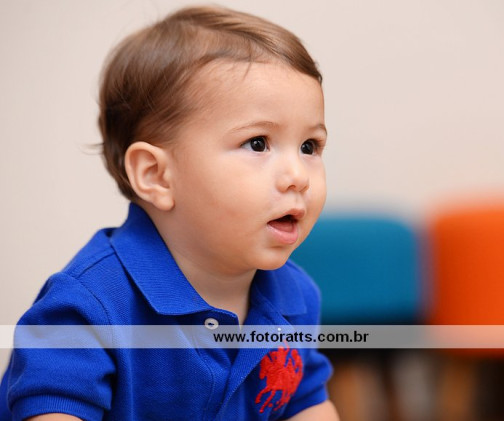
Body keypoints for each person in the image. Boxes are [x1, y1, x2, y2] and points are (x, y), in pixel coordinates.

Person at [0, 5, 338, 420]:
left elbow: (306, 403)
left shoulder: (295, 296)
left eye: (309, 147)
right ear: (157, 175)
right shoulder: (92, 304)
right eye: (258, 143)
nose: (298, 176)